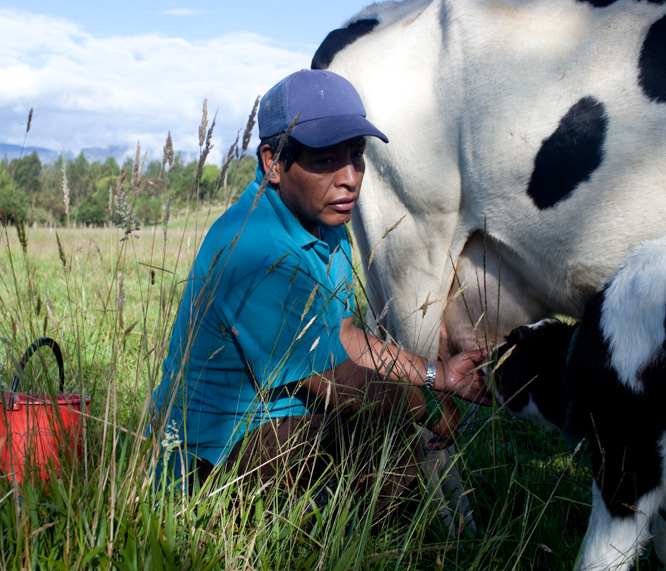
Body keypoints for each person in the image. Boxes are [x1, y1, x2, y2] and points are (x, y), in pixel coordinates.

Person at [151, 69, 489, 514]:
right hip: (210, 464)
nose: (350, 177)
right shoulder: (257, 251)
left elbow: (343, 337)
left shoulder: (327, 229)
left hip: (279, 427)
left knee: (384, 439)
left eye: (357, 155)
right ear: (273, 163)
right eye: (326, 160)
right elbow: (335, 384)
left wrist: (436, 375)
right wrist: (422, 403)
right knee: (383, 438)